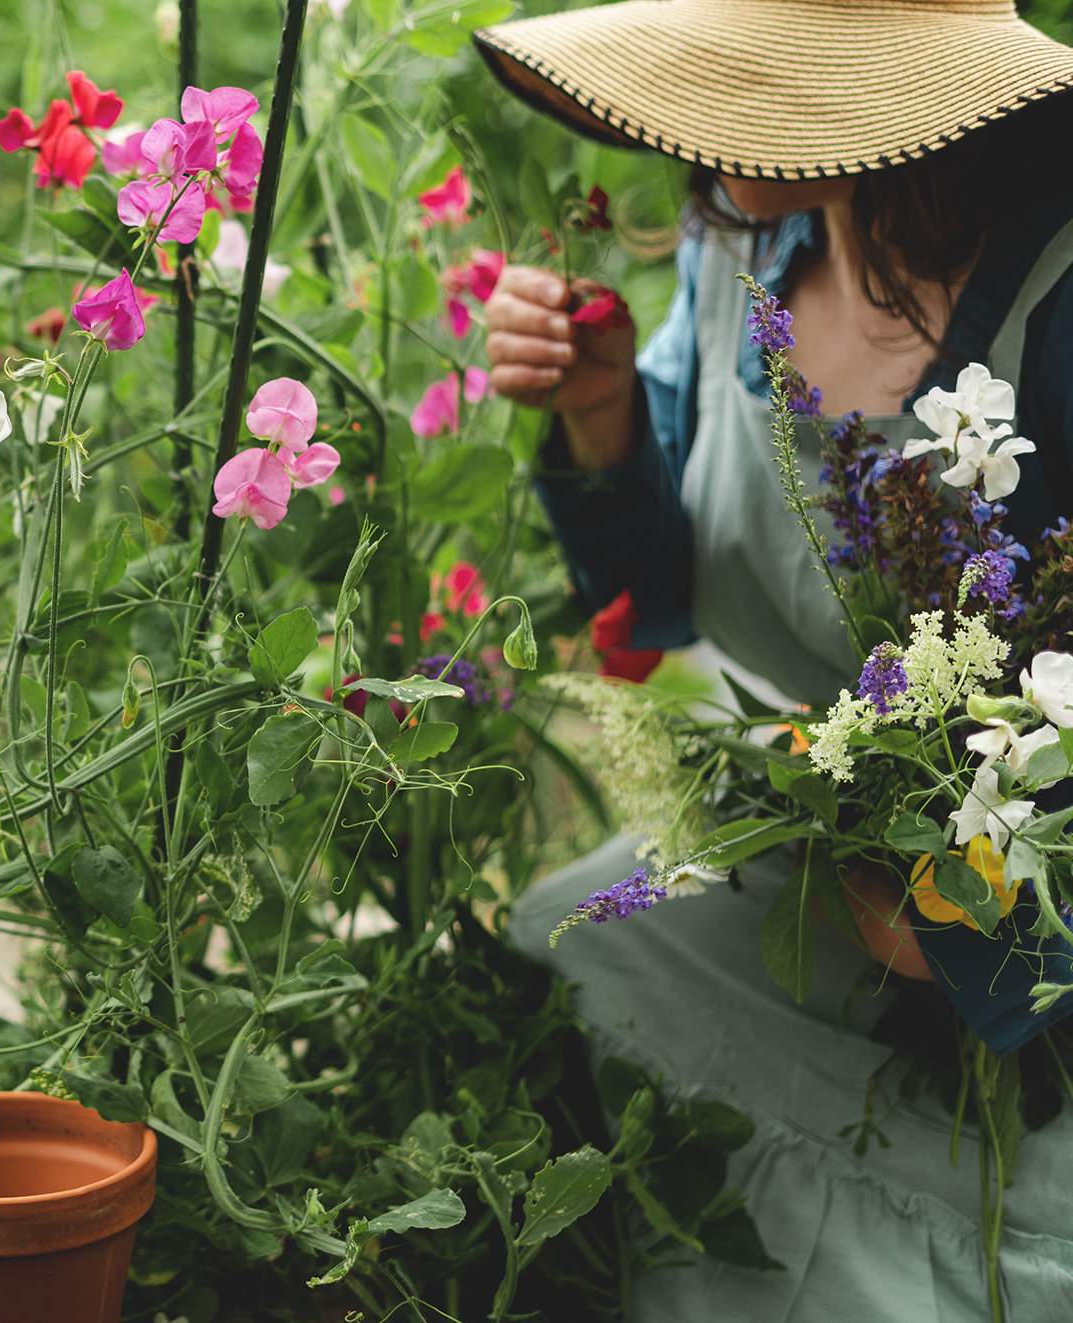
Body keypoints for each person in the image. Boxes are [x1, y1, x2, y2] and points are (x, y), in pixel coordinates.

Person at [471, 0, 1073, 1316]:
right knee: (557, 952)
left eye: (767, 77)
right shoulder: (745, 231)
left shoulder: (1053, 300)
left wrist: (975, 930)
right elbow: (665, 592)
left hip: (1021, 962)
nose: (716, 114)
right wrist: (598, 412)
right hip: (807, 867)